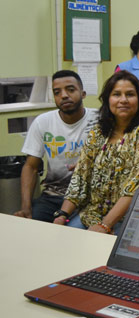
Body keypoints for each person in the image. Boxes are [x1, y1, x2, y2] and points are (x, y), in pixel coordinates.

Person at [52, 71, 139, 233]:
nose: (123, 100)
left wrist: (105, 225)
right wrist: (62, 214)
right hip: (92, 214)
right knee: (62, 241)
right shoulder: (98, 132)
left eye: (130, 94)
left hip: (133, 218)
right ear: (108, 100)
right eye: (116, 94)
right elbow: (80, 177)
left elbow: (138, 185)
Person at [13, 70, 98, 222]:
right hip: (54, 196)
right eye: (57, 92)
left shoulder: (99, 119)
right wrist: (26, 207)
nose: (64, 95)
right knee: (35, 229)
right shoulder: (43, 122)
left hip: (91, 196)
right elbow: (31, 167)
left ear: (83, 93)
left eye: (70, 90)